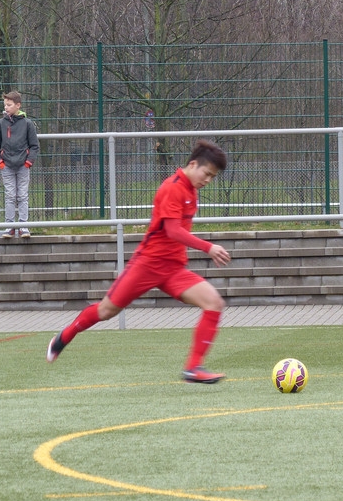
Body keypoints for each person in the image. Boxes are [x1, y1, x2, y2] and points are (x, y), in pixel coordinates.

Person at [47, 140, 231, 383]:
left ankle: (193, 368)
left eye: (212, 177)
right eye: (206, 174)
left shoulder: (192, 191)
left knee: (214, 303)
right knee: (106, 311)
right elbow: (173, 231)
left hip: (173, 269)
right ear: (193, 164)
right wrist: (208, 247)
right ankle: (65, 336)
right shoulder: (172, 188)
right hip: (148, 264)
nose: (208, 180)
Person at [0, 91, 38, 238]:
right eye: (5, 105)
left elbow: (34, 146)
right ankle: (9, 226)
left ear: (18, 105)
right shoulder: (0, 124)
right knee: (10, 196)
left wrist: (28, 162)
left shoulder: (28, 124)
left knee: (22, 195)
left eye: (9, 105)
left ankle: (23, 226)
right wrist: (0, 162)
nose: (6, 107)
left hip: (23, 165)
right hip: (7, 166)